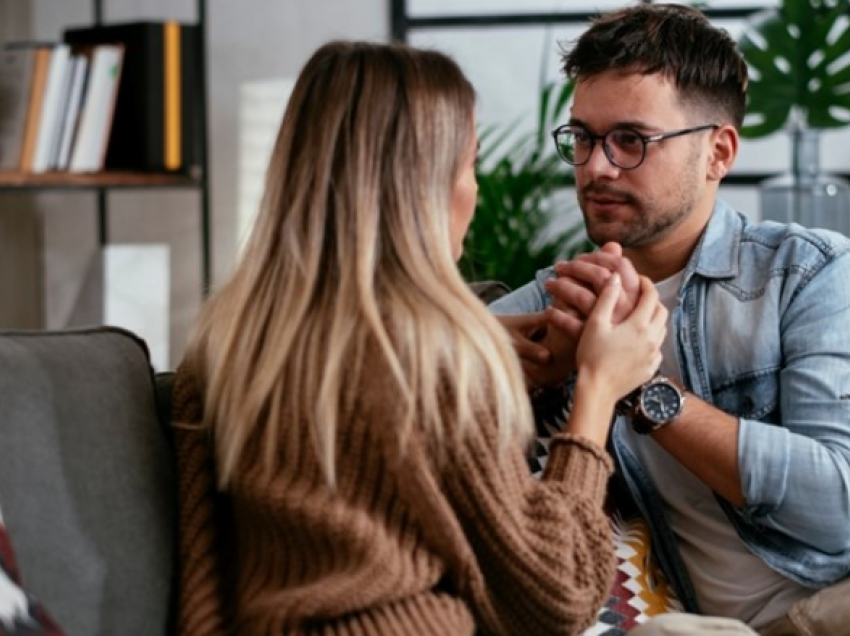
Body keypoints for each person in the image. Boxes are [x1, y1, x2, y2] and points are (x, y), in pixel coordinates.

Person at [171, 40, 668, 636]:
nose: (476, 191)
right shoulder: (435, 358)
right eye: (470, 166)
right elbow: (557, 596)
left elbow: (205, 576)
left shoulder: (226, 343)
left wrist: (486, 358)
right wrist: (598, 389)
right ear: (422, 186)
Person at [491, 3, 850, 635]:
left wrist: (639, 390)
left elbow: (840, 507)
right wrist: (504, 367)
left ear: (718, 152)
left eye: (631, 140)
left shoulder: (807, 274)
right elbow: (381, 387)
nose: (596, 167)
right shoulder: (558, 304)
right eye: (582, 138)